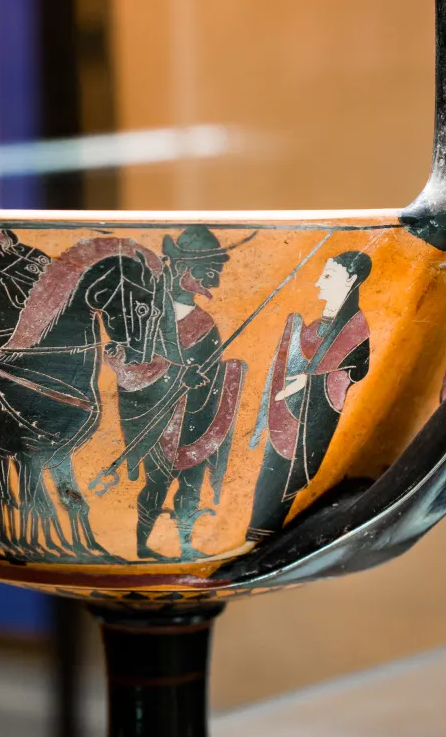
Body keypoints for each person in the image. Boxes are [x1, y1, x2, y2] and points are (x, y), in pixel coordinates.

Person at [108, 225, 246, 560]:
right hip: (158, 419)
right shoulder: (146, 315)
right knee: (157, 484)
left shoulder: (205, 323)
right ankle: (142, 546)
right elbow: (132, 370)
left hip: (196, 418)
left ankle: (185, 544)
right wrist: (177, 374)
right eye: (208, 272)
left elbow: (211, 372)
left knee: (191, 482)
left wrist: (220, 373)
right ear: (183, 268)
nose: (213, 282)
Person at [247, 249, 371, 541]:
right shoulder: (317, 325)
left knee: (281, 481)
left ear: (350, 279)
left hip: (307, 423)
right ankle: (255, 536)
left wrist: (310, 381)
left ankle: (261, 538)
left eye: (328, 276)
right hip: (284, 418)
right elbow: (300, 356)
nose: (318, 283)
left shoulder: (355, 329)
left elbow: (356, 371)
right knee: (268, 477)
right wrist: (293, 331)